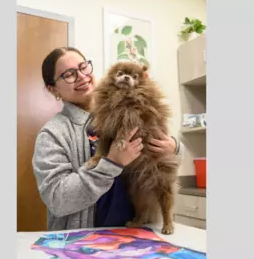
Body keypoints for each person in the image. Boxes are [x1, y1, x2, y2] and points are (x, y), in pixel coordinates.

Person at [32, 47, 183, 231]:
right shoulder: (52, 134)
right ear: (53, 88)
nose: (81, 76)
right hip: (88, 240)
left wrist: (173, 147)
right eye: (69, 74)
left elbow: (161, 158)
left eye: (83, 67)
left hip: (138, 231)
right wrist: (111, 163)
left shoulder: (128, 107)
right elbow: (57, 200)